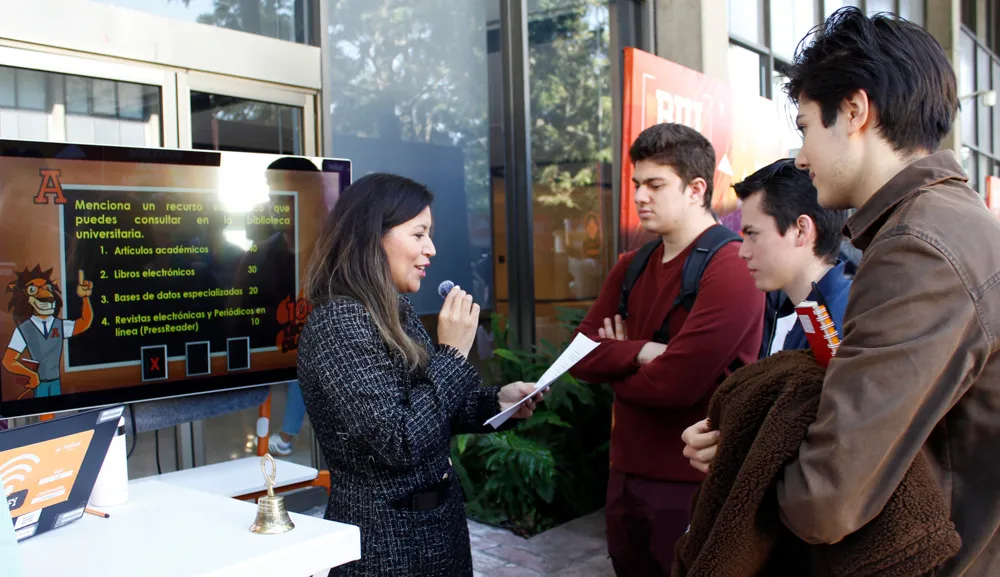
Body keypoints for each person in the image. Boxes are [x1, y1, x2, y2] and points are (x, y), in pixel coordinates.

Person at [682, 8, 1000, 576]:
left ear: (853, 111)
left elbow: (825, 499)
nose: (801, 156)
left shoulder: (919, 247)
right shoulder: (949, 223)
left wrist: (748, 456)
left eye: (805, 126)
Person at [297, 172, 539, 577]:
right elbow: (399, 441)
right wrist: (452, 353)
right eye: (418, 234)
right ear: (373, 236)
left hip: (438, 530)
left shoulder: (394, 311)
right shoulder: (339, 322)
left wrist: (497, 403)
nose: (431, 249)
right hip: (384, 542)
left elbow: (428, 408)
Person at [569, 123, 765, 576]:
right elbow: (578, 357)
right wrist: (642, 352)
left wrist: (615, 362)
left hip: (692, 484)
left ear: (697, 189)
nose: (639, 196)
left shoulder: (731, 266)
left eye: (655, 185)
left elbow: (677, 385)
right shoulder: (631, 265)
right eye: (637, 184)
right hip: (625, 477)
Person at [734, 158, 851, 358]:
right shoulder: (812, 310)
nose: (742, 252)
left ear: (800, 231)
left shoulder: (836, 328)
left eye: (752, 234)